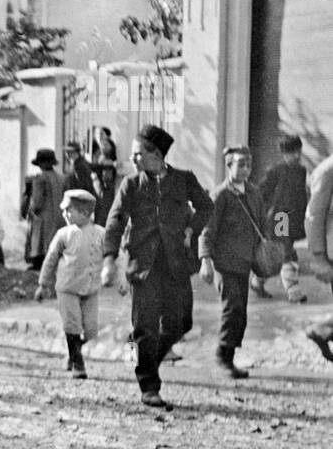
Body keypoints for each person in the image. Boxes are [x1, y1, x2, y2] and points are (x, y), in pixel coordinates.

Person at [101, 124, 212, 408]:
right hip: (143, 266)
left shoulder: (184, 180)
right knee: (145, 328)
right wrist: (109, 259)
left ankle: (149, 359)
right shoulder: (132, 185)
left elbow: (206, 207)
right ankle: (149, 385)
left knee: (181, 323)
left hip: (176, 264)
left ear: (157, 154)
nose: (134, 159)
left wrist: (191, 228)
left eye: (138, 154)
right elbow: (115, 221)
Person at [199, 147, 263, 379]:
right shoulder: (220, 195)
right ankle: (223, 357)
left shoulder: (254, 193)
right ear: (228, 166)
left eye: (249, 164)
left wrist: (273, 249)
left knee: (241, 313)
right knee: (232, 308)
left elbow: (264, 225)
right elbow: (207, 230)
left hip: (245, 262)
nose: (246, 169)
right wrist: (205, 260)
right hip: (224, 264)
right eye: (241, 164)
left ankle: (229, 356)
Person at [35, 189, 103, 379]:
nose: (64, 214)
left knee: (90, 329)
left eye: (68, 210)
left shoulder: (100, 233)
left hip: (91, 288)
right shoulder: (63, 234)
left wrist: (118, 276)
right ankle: (78, 365)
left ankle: (73, 352)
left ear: (85, 213)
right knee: (72, 326)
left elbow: (115, 255)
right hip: (67, 289)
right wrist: (43, 284)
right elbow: (50, 260)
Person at [254, 135, 308, 303]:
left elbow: (301, 196)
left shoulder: (301, 171)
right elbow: (262, 192)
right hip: (280, 218)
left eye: (298, 151)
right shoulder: (276, 171)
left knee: (278, 255)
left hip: (294, 218)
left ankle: (257, 281)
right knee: (287, 252)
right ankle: (293, 291)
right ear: (284, 154)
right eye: (292, 152)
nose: (297, 155)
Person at [304, 151, 333, 361]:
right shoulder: (327, 170)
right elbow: (313, 215)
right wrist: (319, 256)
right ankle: (322, 329)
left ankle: (323, 330)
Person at [25, 148, 65, 270]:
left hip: (43, 218)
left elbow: (37, 202)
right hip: (60, 217)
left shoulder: (39, 179)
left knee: (40, 243)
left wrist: (30, 210)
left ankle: (39, 264)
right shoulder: (61, 178)